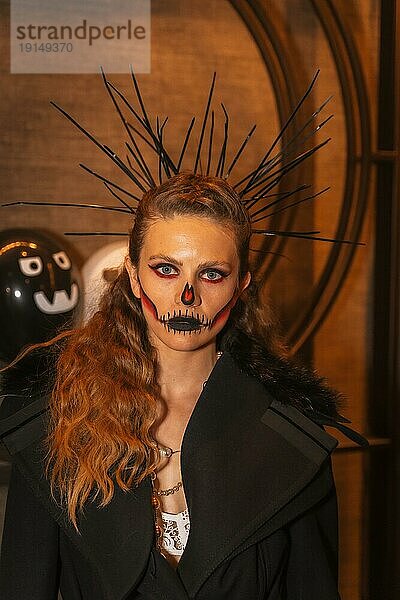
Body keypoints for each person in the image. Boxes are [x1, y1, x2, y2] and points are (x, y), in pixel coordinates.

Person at [0, 170, 365, 599]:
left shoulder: (291, 439)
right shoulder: (56, 424)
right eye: (166, 270)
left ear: (240, 285)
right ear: (134, 277)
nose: (186, 295)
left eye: (211, 274)